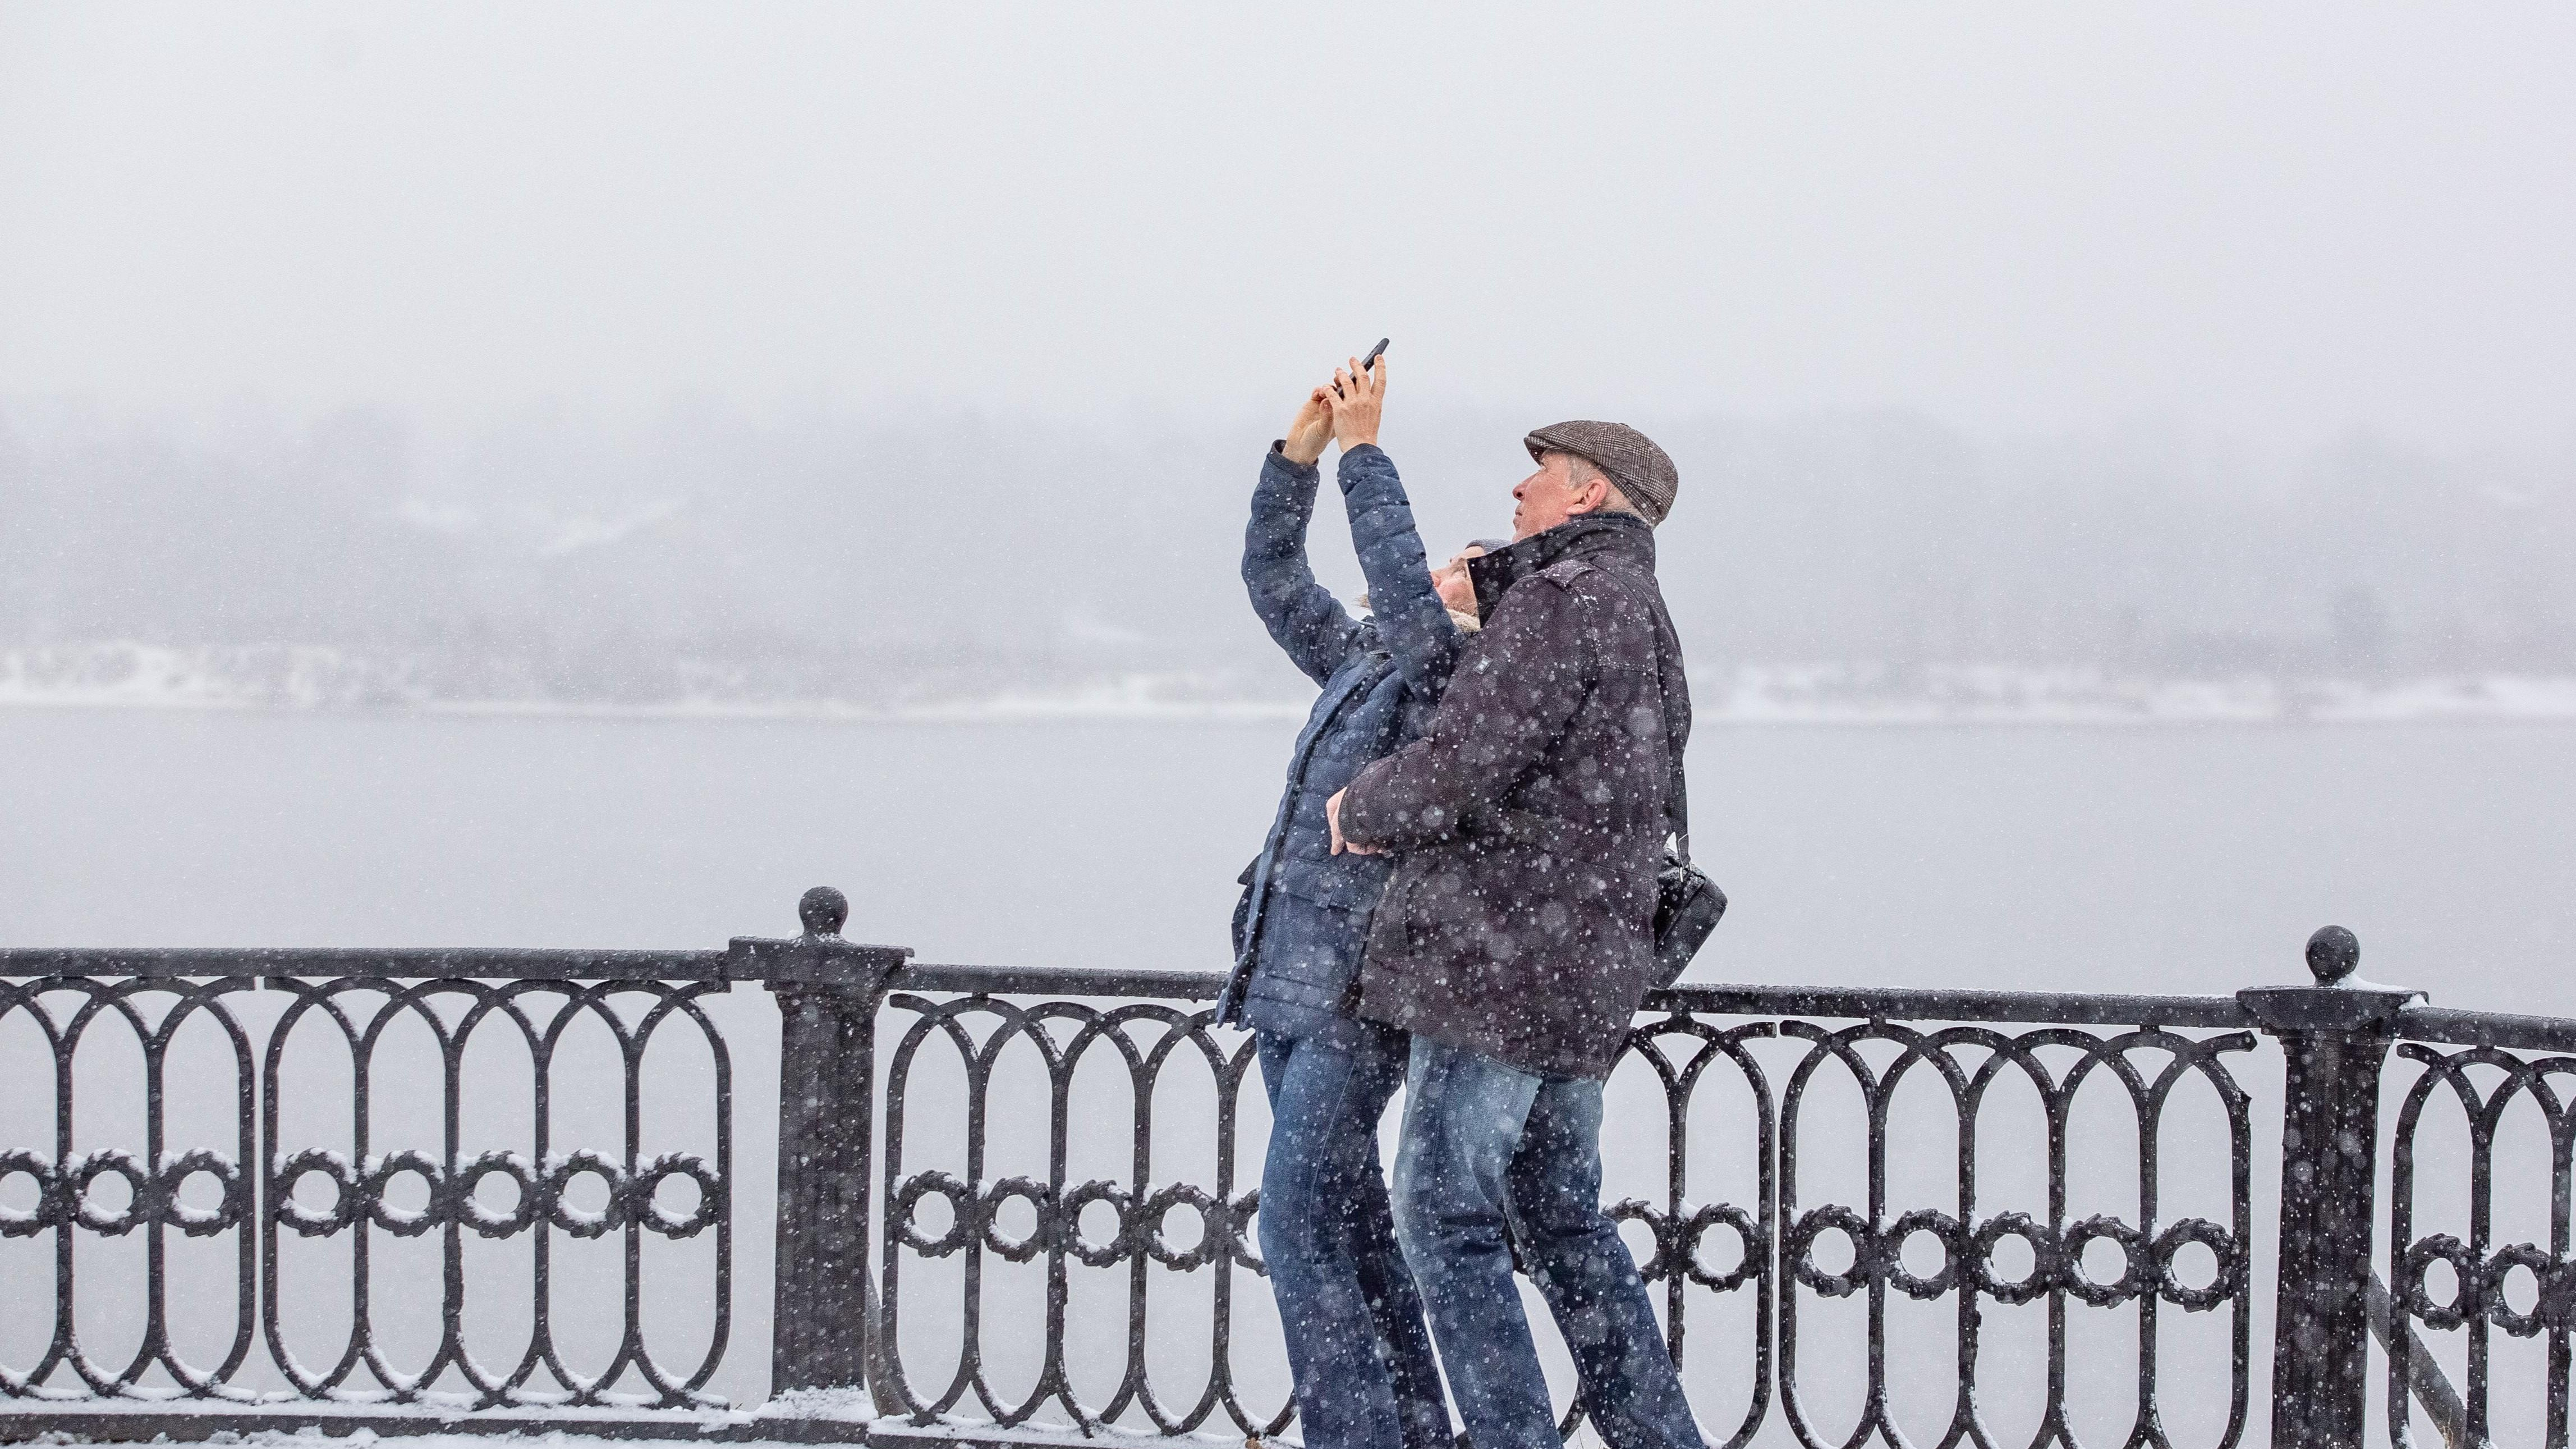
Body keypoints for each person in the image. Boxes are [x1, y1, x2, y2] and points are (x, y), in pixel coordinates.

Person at [1324, 421, 1700, 1449]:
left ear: (1587, 496)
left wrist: (1360, 807)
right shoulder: (1643, 614)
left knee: (1443, 1217)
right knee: (1564, 1223)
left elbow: (1462, 761)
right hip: (1585, 978)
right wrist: (1477, 594)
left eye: (1538, 476)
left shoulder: (1562, 602)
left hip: (1500, 970)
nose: (1518, 489)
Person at [1218, 355, 1487, 1449]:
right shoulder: (1366, 660)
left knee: (1295, 1226)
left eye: (1470, 563)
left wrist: (1369, 455)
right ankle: (1413, 1430)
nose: (1443, 567)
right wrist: (1300, 454)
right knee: (1353, 1228)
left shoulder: (1456, 685)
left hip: (1350, 997)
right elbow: (1275, 578)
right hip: (1285, 981)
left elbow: (1418, 612)